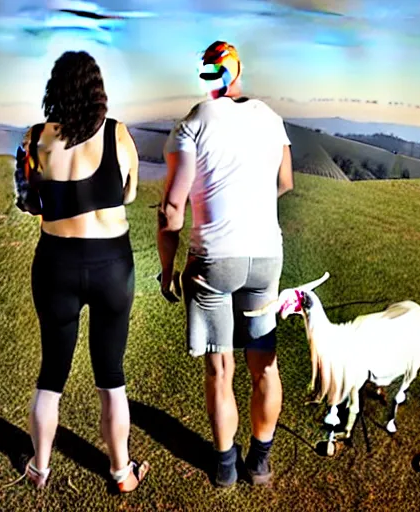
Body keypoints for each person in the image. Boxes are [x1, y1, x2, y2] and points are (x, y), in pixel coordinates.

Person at [157, 41, 294, 487]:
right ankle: (260, 462)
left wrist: (166, 268)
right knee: (265, 364)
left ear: (209, 76)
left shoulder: (194, 121)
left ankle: (224, 467)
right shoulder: (272, 119)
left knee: (220, 368)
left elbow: (171, 209)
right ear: (237, 72)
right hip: (265, 256)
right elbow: (285, 182)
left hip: (214, 257)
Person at [18, 51, 149, 492]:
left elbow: (29, 201)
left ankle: (38, 468)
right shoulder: (118, 134)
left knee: (51, 373)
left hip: (55, 262)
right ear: (98, 91)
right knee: (110, 375)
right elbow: (129, 194)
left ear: (55, 89)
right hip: (112, 264)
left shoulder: (34, 138)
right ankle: (120, 472)